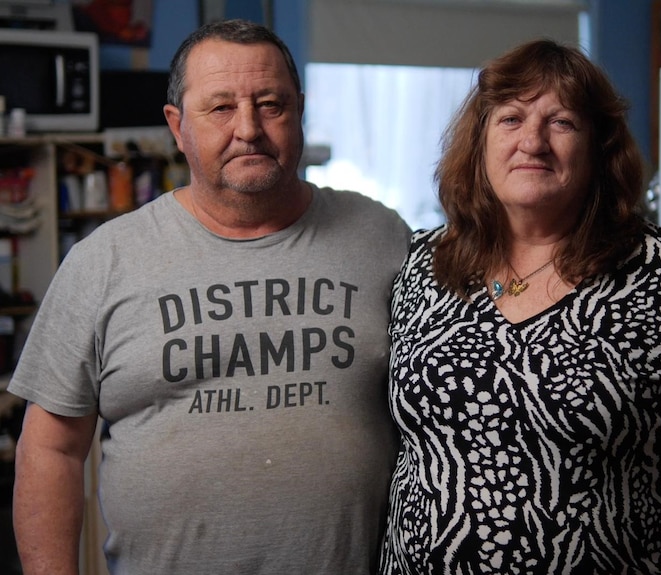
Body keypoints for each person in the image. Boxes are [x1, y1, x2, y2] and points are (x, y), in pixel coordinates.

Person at [379, 39, 661, 574]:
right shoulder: (423, 265)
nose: (532, 141)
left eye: (561, 123)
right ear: (479, 143)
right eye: (510, 119)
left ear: (600, 148)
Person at [10, 19, 411, 575]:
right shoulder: (103, 261)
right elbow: (50, 449)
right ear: (177, 126)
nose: (248, 128)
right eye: (220, 108)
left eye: (270, 104)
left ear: (299, 109)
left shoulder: (383, 237)